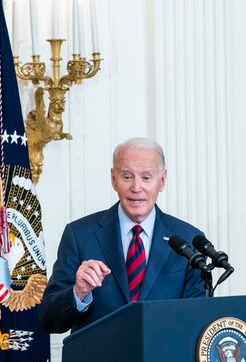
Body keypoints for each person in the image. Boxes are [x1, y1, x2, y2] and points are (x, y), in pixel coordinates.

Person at [39, 138, 205, 333]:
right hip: (101, 361)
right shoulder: (79, 235)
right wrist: (78, 292)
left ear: (162, 180)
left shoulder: (189, 239)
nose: (136, 188)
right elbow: (49, 320)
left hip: (163, 360)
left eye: (146, 178)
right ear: (113, 179)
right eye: (127, 177)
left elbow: (197, 321)